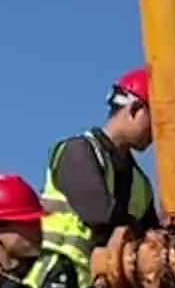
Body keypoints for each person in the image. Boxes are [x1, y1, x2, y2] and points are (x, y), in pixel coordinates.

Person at [43, 65, 153, 271]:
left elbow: (152, 234)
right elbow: (98, 213)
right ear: (135, 110)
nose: (158, 132)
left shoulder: (141, 184)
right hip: (62, 283)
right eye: (156, 119)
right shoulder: (77, 151)